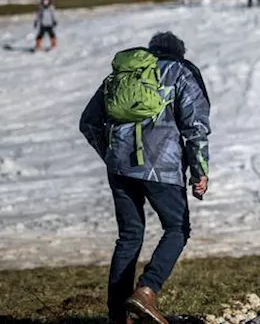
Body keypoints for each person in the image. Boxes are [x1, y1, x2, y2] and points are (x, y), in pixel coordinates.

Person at [79, 32, 211, 324]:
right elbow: (196, 126)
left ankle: (117, 316)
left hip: (120, 168)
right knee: (177, 228)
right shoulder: (182, 72)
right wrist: (199, 170)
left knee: (129, 236)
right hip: (161, 168)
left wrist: (112, 155)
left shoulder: (124, 74)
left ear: (151, 52)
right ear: (180, 51)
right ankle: (146, 291)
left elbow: (88, 122)